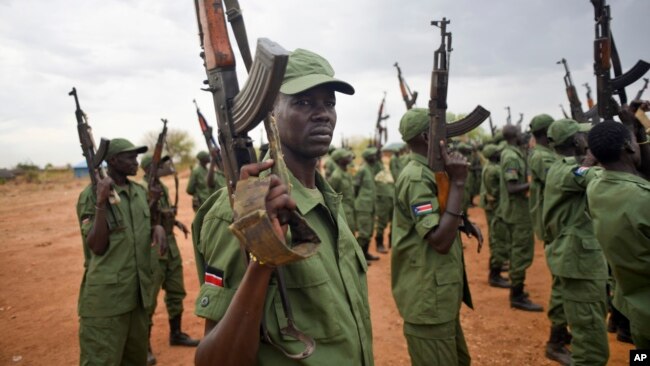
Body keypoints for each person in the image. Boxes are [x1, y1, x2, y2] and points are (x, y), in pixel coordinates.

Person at [193, 48, 374, 366]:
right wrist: (263, 257)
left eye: (329, 103)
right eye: (303, 102)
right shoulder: (241, 209)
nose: (322, 114)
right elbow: (215, 360)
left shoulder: (325, 199)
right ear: (270, 113)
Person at [391, 108, 480, 366]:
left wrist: (462, 223)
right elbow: (440, 241)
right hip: (428, 300)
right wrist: (460, 183)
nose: (448, 138)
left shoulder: (430, 172)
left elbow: (440, 219)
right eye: (443, 132)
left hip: (439, 297)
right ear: (427, 137)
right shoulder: (416, 176)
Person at [75, 138, 167, 365]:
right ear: (113, 160)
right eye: (130, 157)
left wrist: (156, 227)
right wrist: (100, 203)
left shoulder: (138, 192)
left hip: (138, 297)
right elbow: (96, 245)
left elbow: (137, 230)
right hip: (107, 303)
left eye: (136, 157)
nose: (136, 162)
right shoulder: (92, 194)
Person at [543, 118, 608, 365]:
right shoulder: (564, 170)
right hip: (578, 259)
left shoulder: (566, 168)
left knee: (589, 321)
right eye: (584, 137)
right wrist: (598, 152)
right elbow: (589, 175)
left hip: (577, 256)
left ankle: (558, 340)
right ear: (577, 141)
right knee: (590, 335)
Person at [587, 120, 650, 349]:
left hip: (638, 310)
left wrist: (638, 134)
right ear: (629, 147)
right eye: (634, 140)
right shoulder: (643, 198)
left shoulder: (596, 185)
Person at [140, 155, 200, 365]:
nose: (166, 168)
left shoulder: (161, 188)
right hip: (153, 249)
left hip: (171, 246)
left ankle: (176, 333)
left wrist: (176, 222)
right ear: (149, 169)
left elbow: (162, 214)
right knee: (149, 297)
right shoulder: (141, 189)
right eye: (160, 165)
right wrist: (152, 198)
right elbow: (142, 219)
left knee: (176, 291)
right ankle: (143, 346)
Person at [527, 114, 570, 363]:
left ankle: (562, 332)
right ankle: (556, 339)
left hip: (560, 223)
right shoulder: (541, 157)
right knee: (562, 283)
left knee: (565, 282)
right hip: (555, 226)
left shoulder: (546, 155)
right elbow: (563, 179)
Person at [496, 125, 544, 311]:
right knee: (520, 253)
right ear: (515, 136)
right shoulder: (511, 157)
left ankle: (517, 292)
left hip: (518, 212)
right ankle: (516, 295)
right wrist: (533, 184)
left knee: (518, 251)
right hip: (517, 214)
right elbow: (512, 188)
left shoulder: (514, 154)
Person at [479, 143, 509, 288]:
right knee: (498, 238)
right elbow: (495, 190)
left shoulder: (488, 167)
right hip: (496, 208)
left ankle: (496, 269)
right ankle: (495, 275)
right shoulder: (494, 170)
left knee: (496, 237)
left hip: (493, 206)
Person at [355, 147, 381, 261]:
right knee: (363, 233)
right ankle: (359, 257)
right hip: (363, 206)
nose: (375, 157)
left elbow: (380, 168)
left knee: (369, 231)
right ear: (367, 157)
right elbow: (355, 187)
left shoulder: (371, 168)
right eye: (372, 156)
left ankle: (365, 254)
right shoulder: (362, 169)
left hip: (371, 205)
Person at [327, 148, 356, 232]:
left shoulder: (346, 172)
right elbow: (330, 195)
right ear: (340, 160)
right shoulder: (336, 176)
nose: (350, 157)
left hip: (351, 207)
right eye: (346, 156)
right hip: (343, 210)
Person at [373, 150, 394, 253]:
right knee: (382, 221)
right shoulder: (377, 165)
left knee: (394, 220)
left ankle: (392, 242)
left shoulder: (393, 163)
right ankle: (379, 243)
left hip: (393, 194)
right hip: (383, 197)